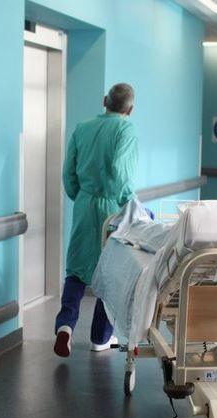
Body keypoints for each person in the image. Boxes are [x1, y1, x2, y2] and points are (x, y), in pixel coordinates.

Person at [54, 83, 138, 358]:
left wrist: (81, 197)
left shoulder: (82, 128)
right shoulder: (126, 129)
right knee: (109, 270)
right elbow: (120, 172)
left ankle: (65, 327)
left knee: (77, 268)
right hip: (111, 206)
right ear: (131, 109)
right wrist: (128, 203)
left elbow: (68, 173)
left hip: (84, 202)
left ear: (104, 101)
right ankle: (100, 337)